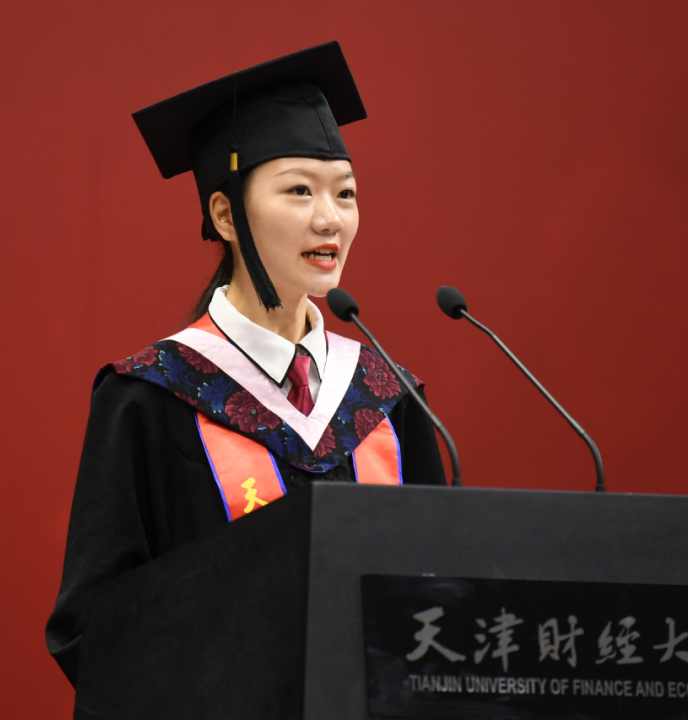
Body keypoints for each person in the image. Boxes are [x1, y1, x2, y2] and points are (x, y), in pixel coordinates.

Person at [45, 42, 447, 686]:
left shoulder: (387, 399)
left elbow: (445, 597)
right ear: (226, 215)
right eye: (299, 191)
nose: (330, 219)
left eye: (345, 193)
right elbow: (95, 627)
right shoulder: (152, 397)